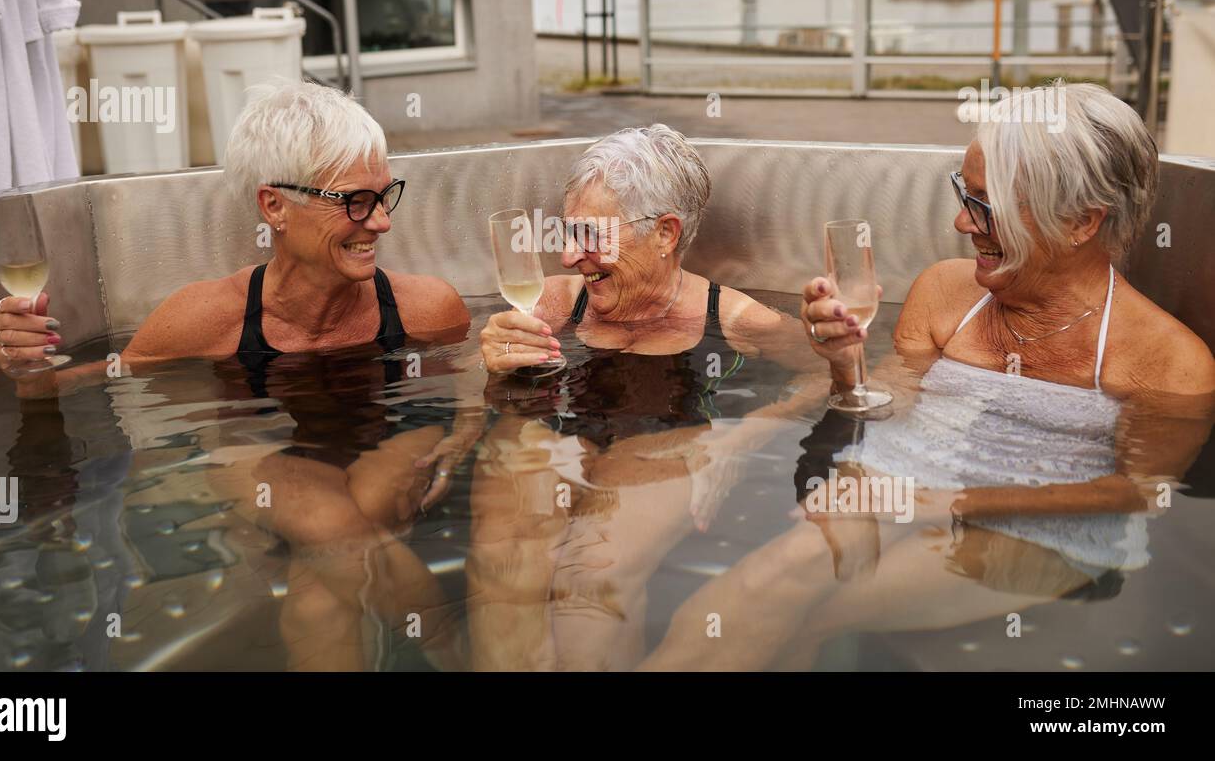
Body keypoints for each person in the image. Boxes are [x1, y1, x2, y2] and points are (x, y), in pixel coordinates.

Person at [642, 82, 1215, 670]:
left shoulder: (1167, 360)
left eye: (986, 206)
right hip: (903, 480)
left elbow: (1141, 491)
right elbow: (887, 402)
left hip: (1046, 527)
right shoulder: (945, 290)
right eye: (963, 195)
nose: (964, 223)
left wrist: (951, 501)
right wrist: (843, 366)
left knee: (799, 606)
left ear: (1081, 222)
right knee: (757, 590)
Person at [0, 80, 478, 669]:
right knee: (328, 523)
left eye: (384, 196)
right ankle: (459, 656)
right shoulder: (206, 318)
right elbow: (88, 385)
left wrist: (467, 430)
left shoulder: (426, 310)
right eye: (353, 201)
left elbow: (472, 382)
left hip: (395, 433)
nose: (381, 223)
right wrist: (26, 366)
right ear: (275, 206)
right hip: (258, 448)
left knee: (323, 582)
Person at [468, 123, 814, 669]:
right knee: (503, 560)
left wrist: (746, 435)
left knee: (593, 576)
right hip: (562, 448)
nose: (567, 257)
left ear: (665, 233)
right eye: (566, 232)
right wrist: (491, 365)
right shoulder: (559, 305)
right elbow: (476, 387)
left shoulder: (734, 318)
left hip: (663, 450)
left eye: (590, 236)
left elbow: (833, 376)